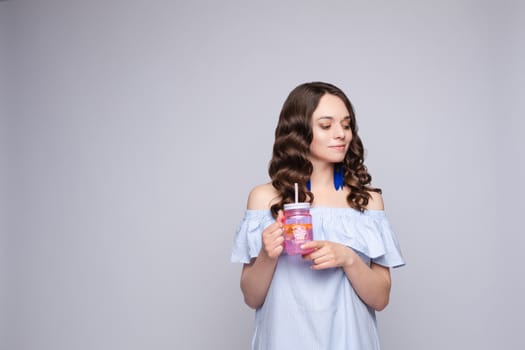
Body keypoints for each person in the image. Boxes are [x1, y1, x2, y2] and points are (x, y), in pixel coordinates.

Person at [230, 82, 405, 349]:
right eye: (326, 125)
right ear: (298, 132)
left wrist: (348, 258)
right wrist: (268, 255)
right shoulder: (265, 198)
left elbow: (380, 299)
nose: (341, 134)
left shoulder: (367, 201)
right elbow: (252, 298)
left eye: (346, 125)